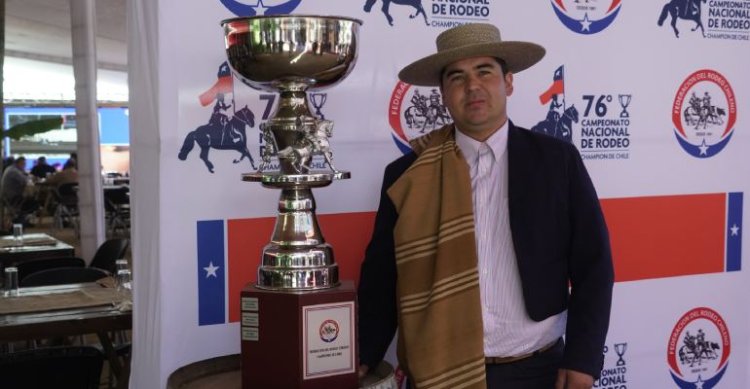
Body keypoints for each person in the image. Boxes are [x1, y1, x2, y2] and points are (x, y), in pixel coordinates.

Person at [358, 23, 614, 389]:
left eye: (484, 72)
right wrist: (364, 357)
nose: (472, 86)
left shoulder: (557, 162)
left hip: (537, 372)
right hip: (438, 372)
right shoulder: (408, 175)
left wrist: (584, 358)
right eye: (457, 77)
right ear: (443, 94)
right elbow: (383, 278)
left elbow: (594, 265)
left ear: (508, 82)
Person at [0, 156, 38, 225]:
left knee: (30, 198)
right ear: (19, 163)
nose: (24, 166)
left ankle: (22, 218)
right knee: (33, 201)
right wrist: (27, 175)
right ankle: (21, 219)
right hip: (11, 196)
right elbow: (25, 181)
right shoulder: (14, 171)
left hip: (7, 195)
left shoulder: (11, 169)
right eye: (24, 164)